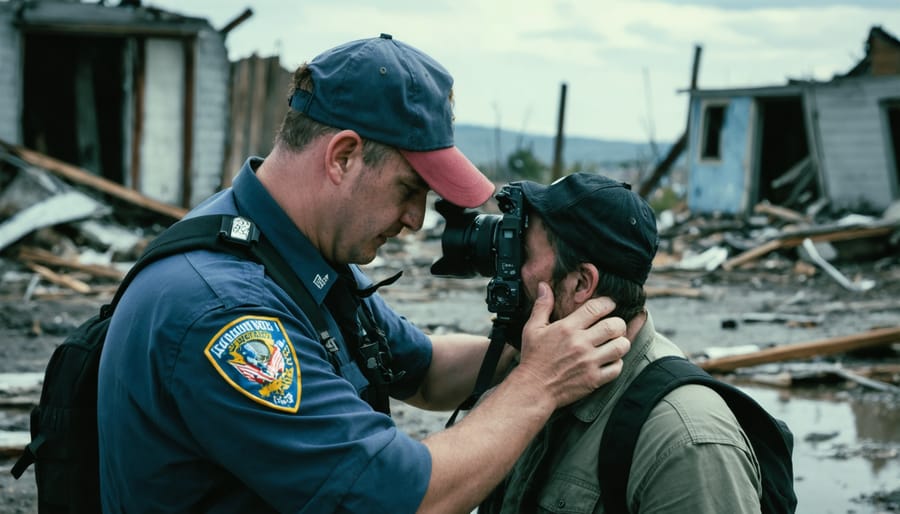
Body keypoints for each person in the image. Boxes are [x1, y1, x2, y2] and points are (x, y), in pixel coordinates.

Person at [96, 34, 631, 513]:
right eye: (409, 189)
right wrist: (539, 386)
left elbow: (422, 371)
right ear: (343, 157)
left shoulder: (293, 251)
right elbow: (401, 499)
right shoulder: (224, 311)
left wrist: (535, 347)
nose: (416, 219)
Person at [479, 173, 762, 514]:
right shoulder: (540, 373)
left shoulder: (684, 440)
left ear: (582, 283)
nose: (509, 270)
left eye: (523, 253)